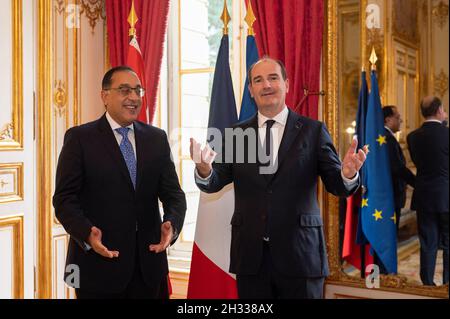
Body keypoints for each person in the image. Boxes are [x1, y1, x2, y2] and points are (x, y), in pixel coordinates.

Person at [190, 57, 367, 298]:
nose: (266, 85)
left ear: (287, 84)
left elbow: (337, 185)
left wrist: (347, 174)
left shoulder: (313, 131)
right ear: (251, 90)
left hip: (301, 257)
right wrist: (204, 169)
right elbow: (214, 181)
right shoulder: (237, 134)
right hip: (251, 259)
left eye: (273, 78)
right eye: (258, 80)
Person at [53, 66, 186, 299]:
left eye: (138, 90)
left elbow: (174, 195)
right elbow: (64, 200)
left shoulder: (157, 139)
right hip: (98, 267)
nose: (133, 97)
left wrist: (172, 225)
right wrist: (86, 233)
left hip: (149, 269)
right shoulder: (79, 138)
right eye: (124, 90)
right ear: (105, 96)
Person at [407, 96, 449, 286]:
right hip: (447, 195)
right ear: (440, 110)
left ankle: (428, 284)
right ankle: (447, 284)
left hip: (424, 195)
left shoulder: (412, 136)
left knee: (428, 242)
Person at [382, 105, 415, 232]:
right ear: (388, 120)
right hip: (392, 194)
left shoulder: (384, 137)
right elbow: (397, 168)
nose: (400, 120)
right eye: (398, 117)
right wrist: (416, 182)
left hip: (390, 193)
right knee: (390, 234)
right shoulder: (388, 139)